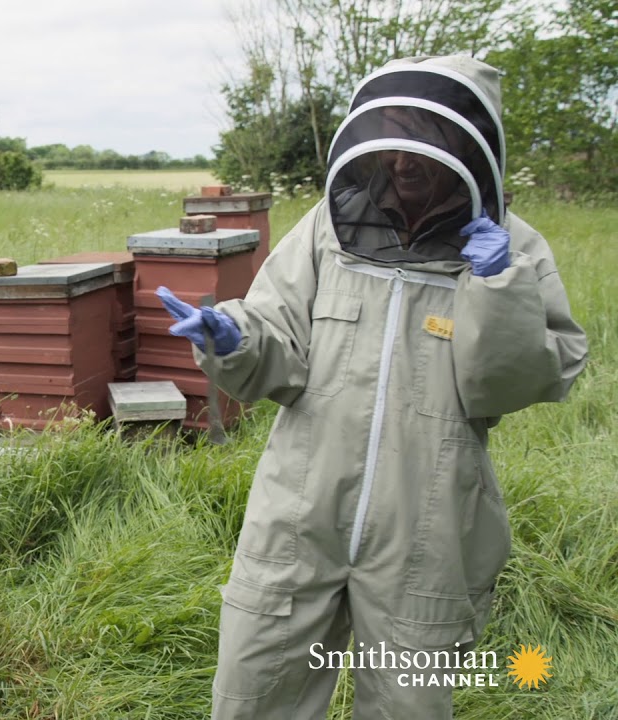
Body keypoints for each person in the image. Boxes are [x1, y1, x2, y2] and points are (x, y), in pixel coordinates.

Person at [157, 55, 588, 718]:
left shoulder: (511, 247)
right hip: (300, 512)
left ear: (465, 140)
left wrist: (500, 289)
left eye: (418, 127)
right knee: (254, 690)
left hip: (431, 522)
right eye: (392, 125)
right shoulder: (329, 229)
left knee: (407, 706)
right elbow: (280, 338)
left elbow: (521, 380)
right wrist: (232, 338)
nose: (404, 152)